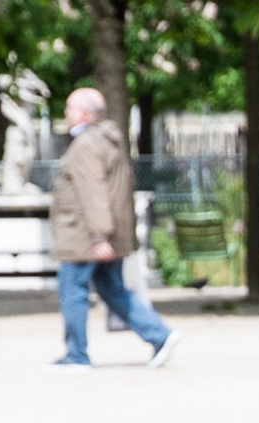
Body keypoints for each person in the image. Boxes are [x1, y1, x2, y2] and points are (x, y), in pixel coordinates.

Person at [49, 87, 180, 371]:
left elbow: (92, 192)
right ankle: (160, 335)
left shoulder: (86, 144)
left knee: (73, 291)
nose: (65, 113)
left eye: (69, 108)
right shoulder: (108, 140)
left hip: (84, 235)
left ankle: (76, 354)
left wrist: (99, 236)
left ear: (84, 113)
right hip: (106, 232)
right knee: (113, 289)